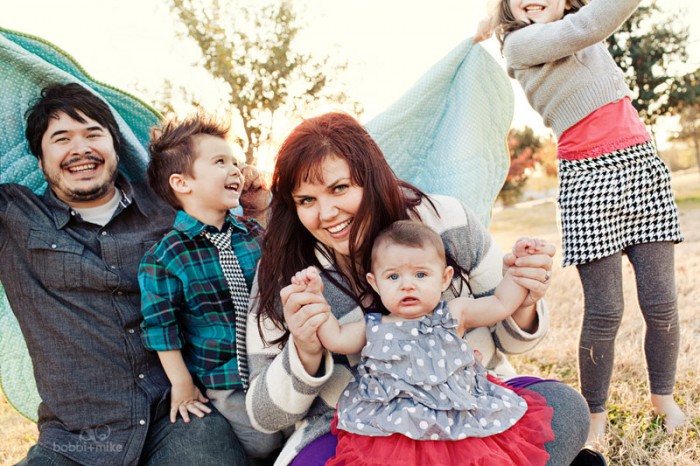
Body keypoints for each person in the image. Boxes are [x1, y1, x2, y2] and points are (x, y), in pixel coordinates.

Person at [245, 112, 590, 466]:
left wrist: (524, 291)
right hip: (354, 429)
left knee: (565, 409)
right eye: (306, 200)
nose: (327, 213)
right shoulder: (287, 274)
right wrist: (305, 349)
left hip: (467, 404)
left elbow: (509, 334)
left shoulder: (445, 220)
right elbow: (264, 416)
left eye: (340, 188)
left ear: (371, 177)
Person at [0, 83, 262, 465]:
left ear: (115, 147)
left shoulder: (171, 205)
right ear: (40, 161)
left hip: (179, 414)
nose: (80, 149)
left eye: (93, 134)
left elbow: (243, 236)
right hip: (75, 440)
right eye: (61, 139)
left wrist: (257, 199)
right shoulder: (15, 216)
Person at [475, 0, 686, 445]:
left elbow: (585, 20)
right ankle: (594, 414)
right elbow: (587, 26)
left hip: (641, 165)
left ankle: (663, 398)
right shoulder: (520, 44)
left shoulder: (578, 24)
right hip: (588, 179)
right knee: (606, 310)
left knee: (662, 303)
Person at [290, 222, 554, 465]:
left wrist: (519, 271)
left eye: (420, 275)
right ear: (375, 283)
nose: (407, 286)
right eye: (393, 277)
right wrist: (316, 300)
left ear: (444, 278)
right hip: (395, 430)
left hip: (455, 418)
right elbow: (335, 338)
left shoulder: (454, 313)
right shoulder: (374, 327)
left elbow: (501, 304)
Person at [138, 114, 283, 459]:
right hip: (225, 379)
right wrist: (182, 383)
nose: (236, 170)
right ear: (182, 183)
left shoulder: (253, 233)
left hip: (275, 362)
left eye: (235, 162)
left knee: (294, 426)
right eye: (220, 162)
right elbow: (161, 326)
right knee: (261, 444)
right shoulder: (165, 256)